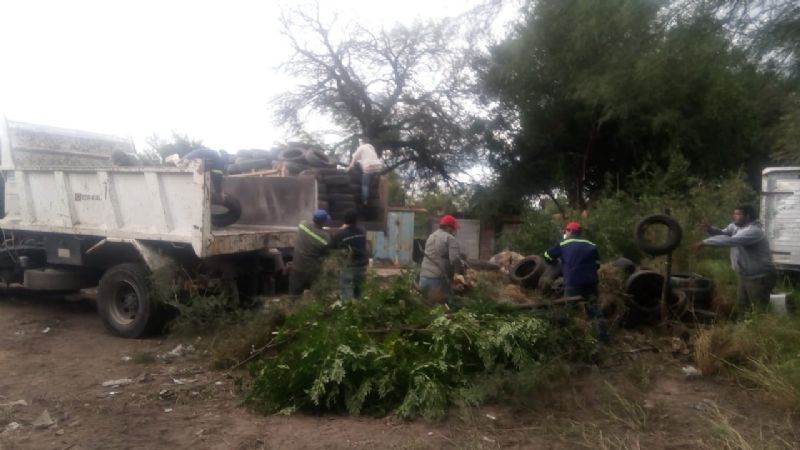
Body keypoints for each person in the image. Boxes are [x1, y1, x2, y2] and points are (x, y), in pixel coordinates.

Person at [693, 204, 775, 314]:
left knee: (759, 308)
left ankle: (763, 329)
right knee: (743, 306)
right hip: (744, 276)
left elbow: (731, 240)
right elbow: (724, 233)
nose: (734, 216)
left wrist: (705, 242)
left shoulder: (754, 231)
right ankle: (744, 329)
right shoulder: (736, 227)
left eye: (738, 214)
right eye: (734, 213)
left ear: (748, 216)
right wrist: (711, 230)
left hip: (759, 277)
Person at [544, 221, 608, 343]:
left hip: (573, 282)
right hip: (591, 282)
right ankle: (603, 340)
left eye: (566, 231)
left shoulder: (563, 244)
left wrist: (554, 263)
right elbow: (597, 265)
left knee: (569, 312)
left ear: (569, 231)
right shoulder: (591, 245)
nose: (565, 233)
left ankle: (569, 340)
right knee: (594, 310)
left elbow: (547, 255)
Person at [419, 215, 464, 303]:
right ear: (448, 227)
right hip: (437, 279)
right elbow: (454, 259)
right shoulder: (450, 238)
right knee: (440, 308)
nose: (454, 230)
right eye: (453, 228)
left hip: (424, 276)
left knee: (423, 306)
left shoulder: (431, 236)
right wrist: (460, 270)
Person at [289, 209, 332, 295]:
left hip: (298, 267)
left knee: (294, 297)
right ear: (324, 222)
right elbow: (327, 253)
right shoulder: (326, 238)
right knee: (316, 297)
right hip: (313, 272)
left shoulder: (303, 225)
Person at [331, 209, 369, 300]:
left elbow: (333, 246)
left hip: (349, 267)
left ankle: (348, 312)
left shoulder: (340, 234)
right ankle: (359, 311)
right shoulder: (362, 231)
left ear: (344, 220)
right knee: (359, 292)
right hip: (362, 266)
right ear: (356, 220)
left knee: (347, 295)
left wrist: (341, 229)